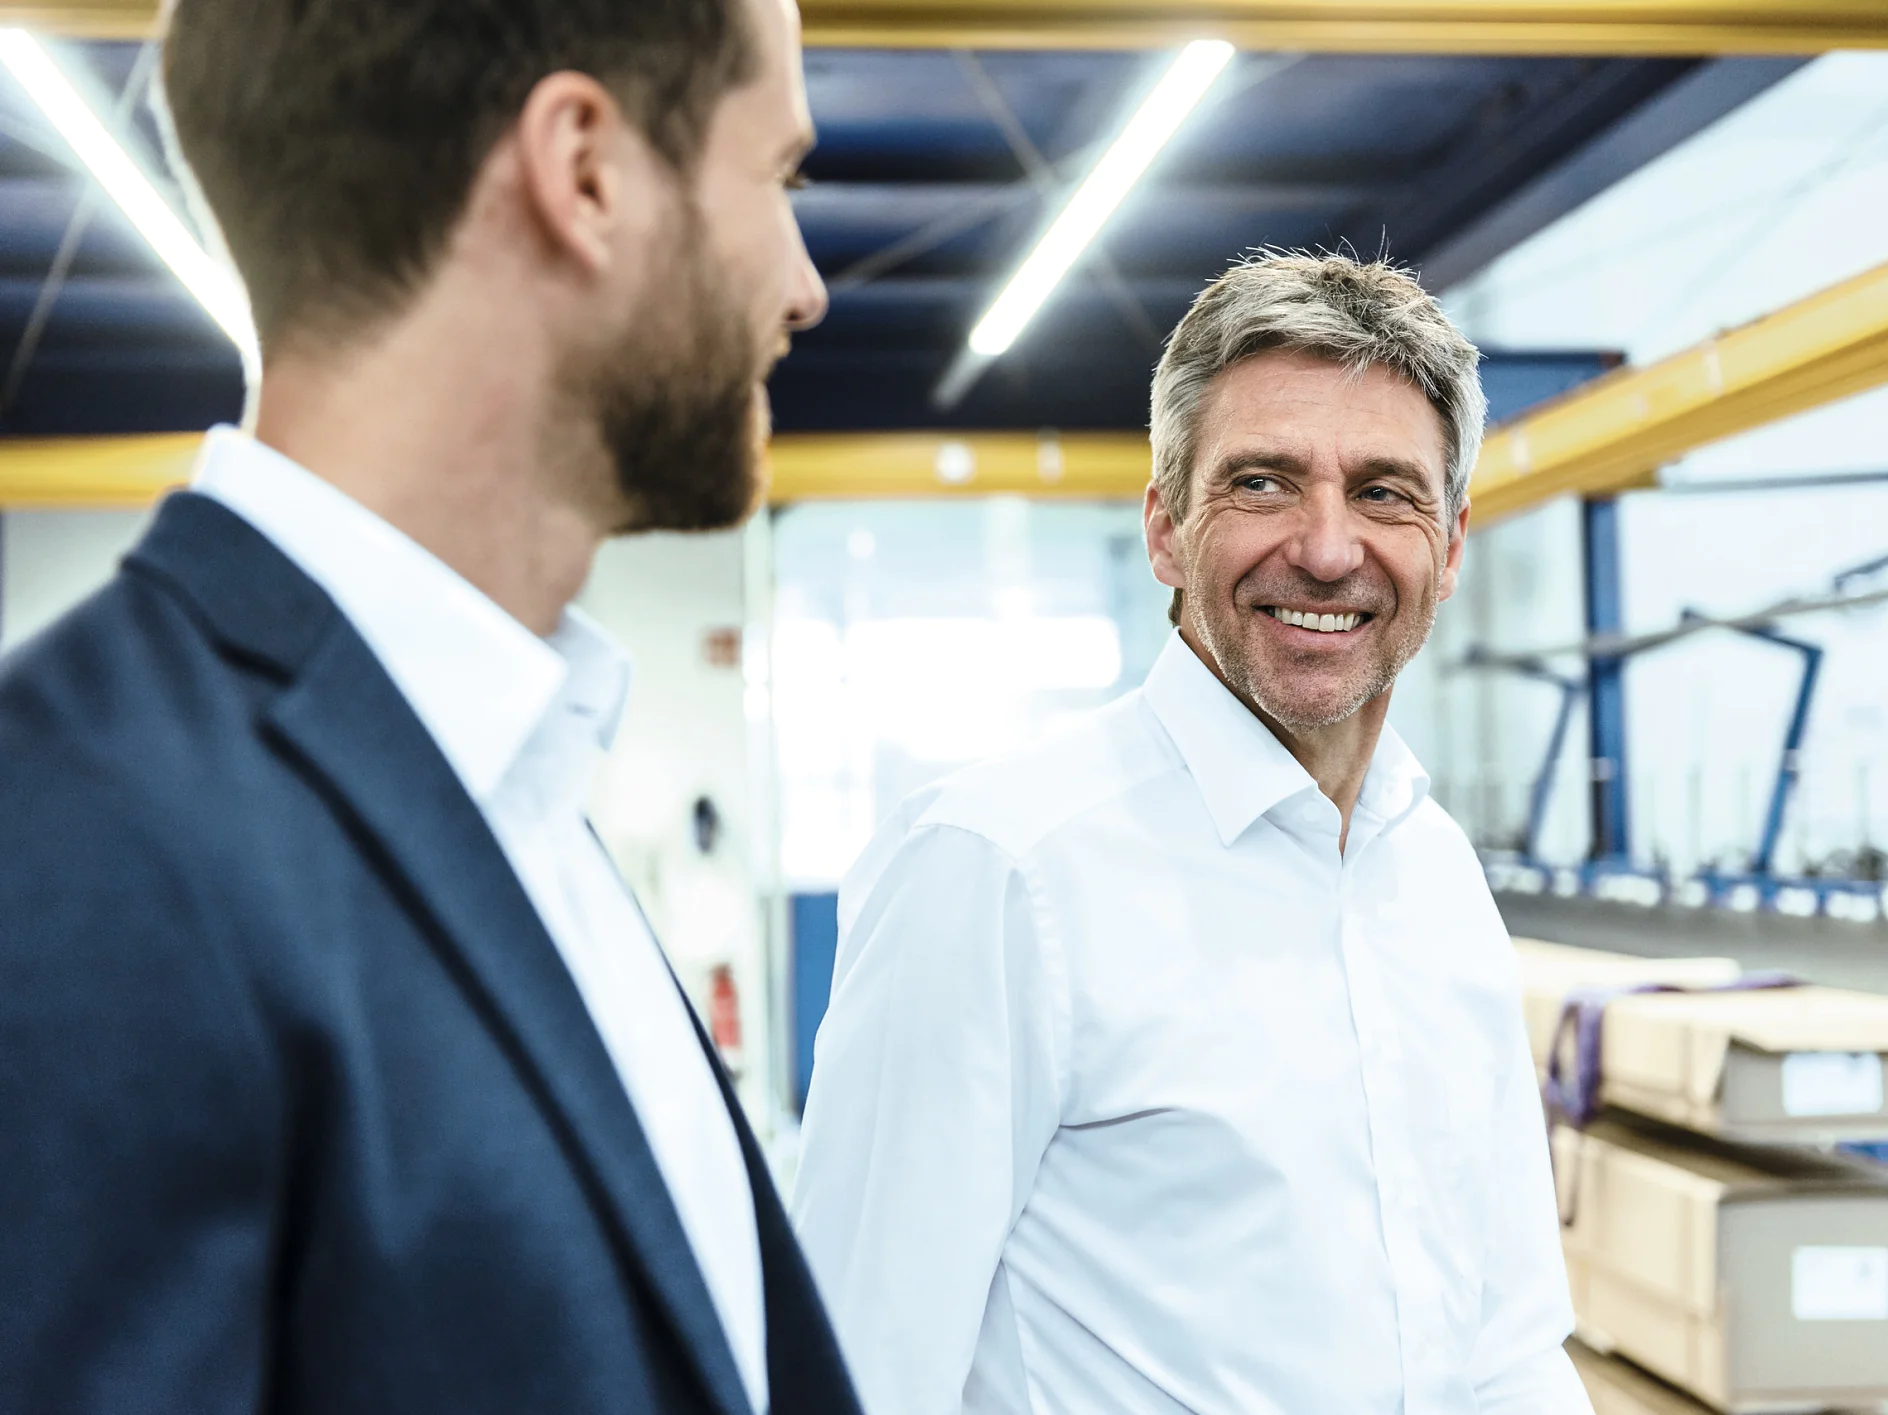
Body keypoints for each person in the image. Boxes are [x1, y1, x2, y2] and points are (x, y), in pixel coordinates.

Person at [0, 1, 857, 1412]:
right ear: (584, 172)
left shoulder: (513, 781)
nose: (807, 284)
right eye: (778, 177)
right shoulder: (75, 850)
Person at [792, 252, 1592, 1415]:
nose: (1327, 548)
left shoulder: (1434, 876)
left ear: (1452, 546)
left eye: (1384, 492)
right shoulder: (1001, 868)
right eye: (1263, 482)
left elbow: (1508, 1342)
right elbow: (853, 1365)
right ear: (1165, 527)